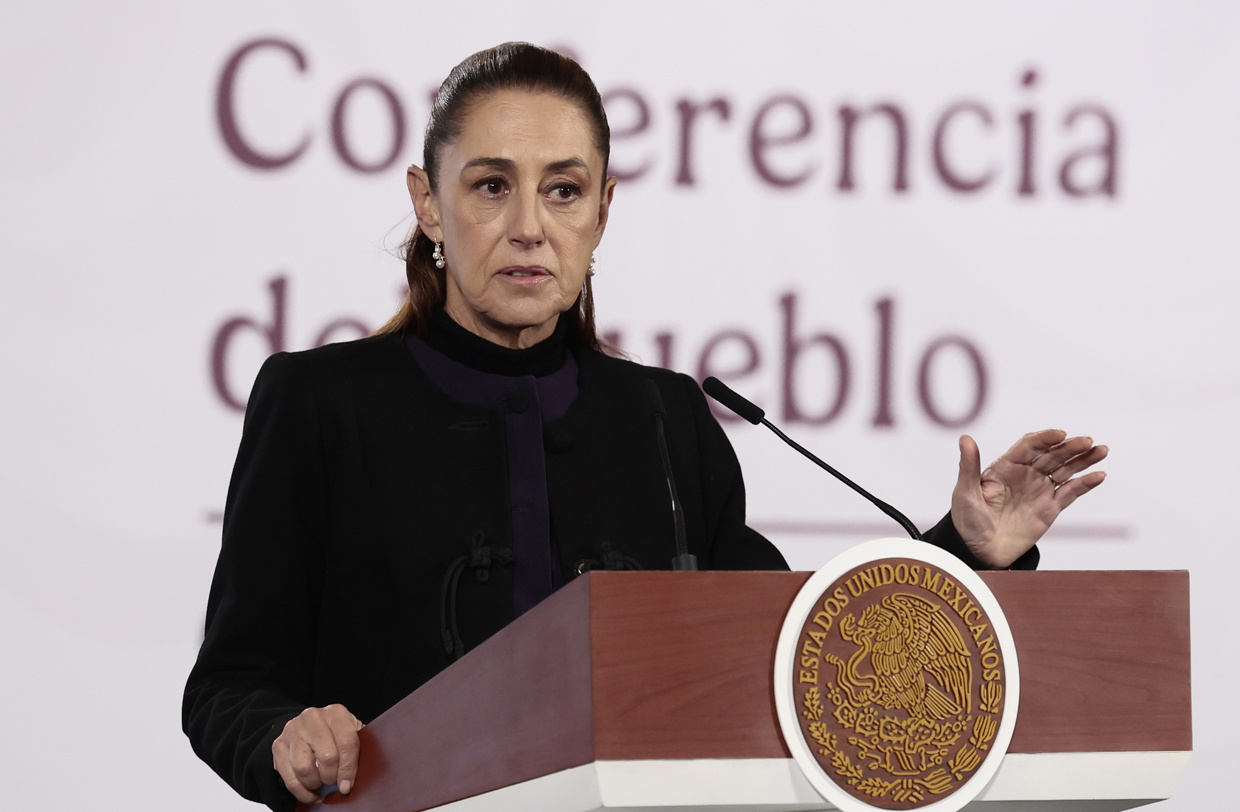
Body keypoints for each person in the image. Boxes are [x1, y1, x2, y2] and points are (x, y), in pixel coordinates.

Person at [182, 42, 1108, 812]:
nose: (529, 227)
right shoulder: (320, 402)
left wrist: (966, 553)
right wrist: (283, 736)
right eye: (492, 186)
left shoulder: (665, 418)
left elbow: (798, 661)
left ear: (603, 210)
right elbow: (228, 686)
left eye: (563, 190)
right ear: (428, 202)